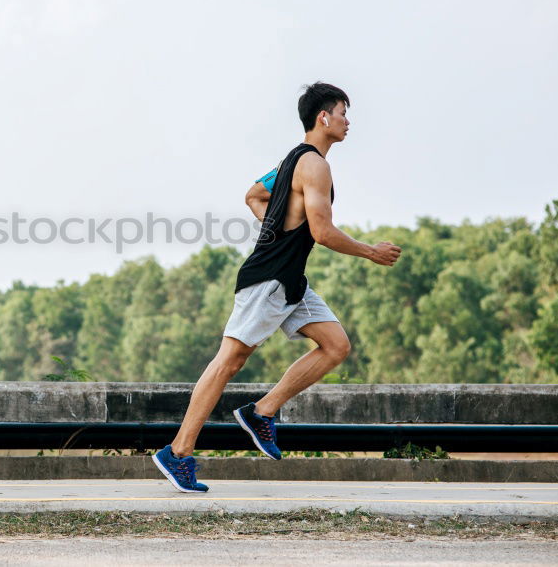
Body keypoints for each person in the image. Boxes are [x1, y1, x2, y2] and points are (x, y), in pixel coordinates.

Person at [151, 81, 402, 493]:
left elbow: (254, 195)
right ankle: (177, 452)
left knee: (336, 345)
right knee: (229, 360)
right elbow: (321, 232)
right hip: (268, 280)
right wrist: (370, 252)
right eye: (343, 112)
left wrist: (278, 226)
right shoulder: (315, 165)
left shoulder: (290, 163)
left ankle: (262, 413)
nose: (347, 121)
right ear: (324, 117)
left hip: (291, 282)